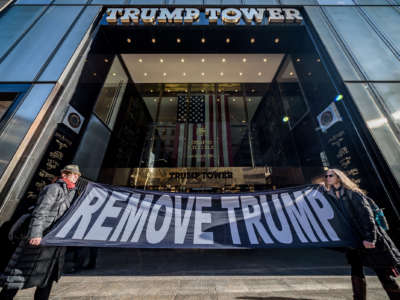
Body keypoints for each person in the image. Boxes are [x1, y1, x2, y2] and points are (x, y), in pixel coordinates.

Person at [0, 165, 81, 300]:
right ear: (64, 175)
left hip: (55, 243)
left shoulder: (73, 193)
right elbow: (40, 211)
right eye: (73, 174)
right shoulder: (53, 189)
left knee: (47, 279)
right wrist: (36, 234)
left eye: (77, 175)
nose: (76, 177)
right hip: (40, 238)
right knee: (17, 277)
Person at [322, 168, 400, 300]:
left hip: (368, 238)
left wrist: (370, 238)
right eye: (326, 176)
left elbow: (367, 216)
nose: (328, 178)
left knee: (384, 273)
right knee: (356, 270)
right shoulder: (333, 194)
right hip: (353, 240)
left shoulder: (353, 194)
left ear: (339, 177)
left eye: (331, 175)